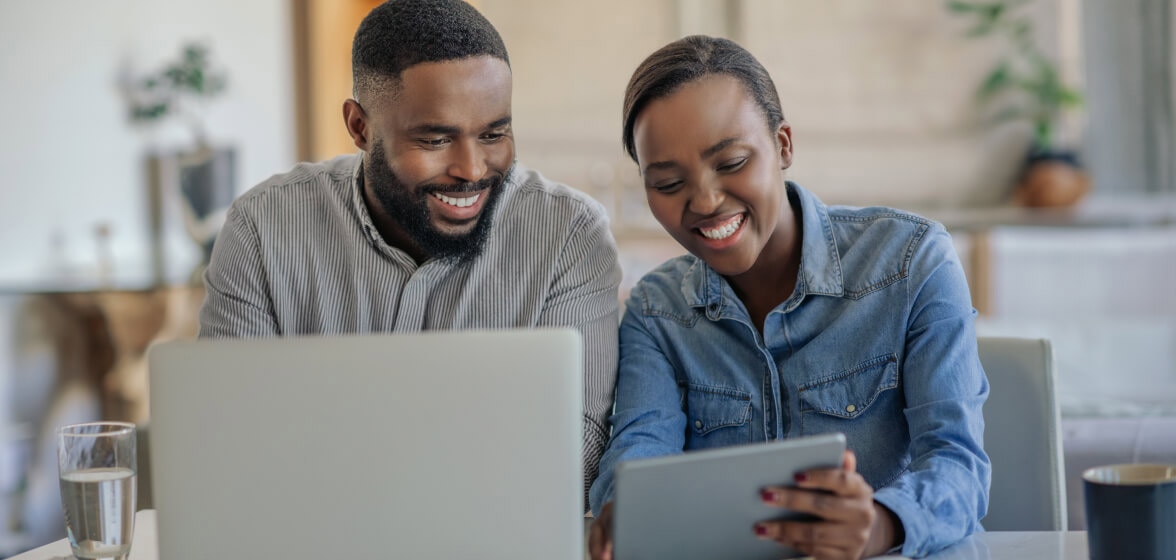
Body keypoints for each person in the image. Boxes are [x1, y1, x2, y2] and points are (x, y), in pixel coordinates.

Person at [198, 0, 622, 498]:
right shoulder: (262, 229)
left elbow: (574, 452)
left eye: (494, 134)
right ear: (360, 127)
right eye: (436, 139)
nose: (472, 168)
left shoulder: (569, 233)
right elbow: (228, 442)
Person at [588, 36, 989, 560]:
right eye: (667, 182)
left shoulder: (912, 262)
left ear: (782, 146)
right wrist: (627, 506)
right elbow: (638, 452)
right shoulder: (656, 311)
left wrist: (880, 524)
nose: (705, 201)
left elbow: (959, 466)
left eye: (731, 162)